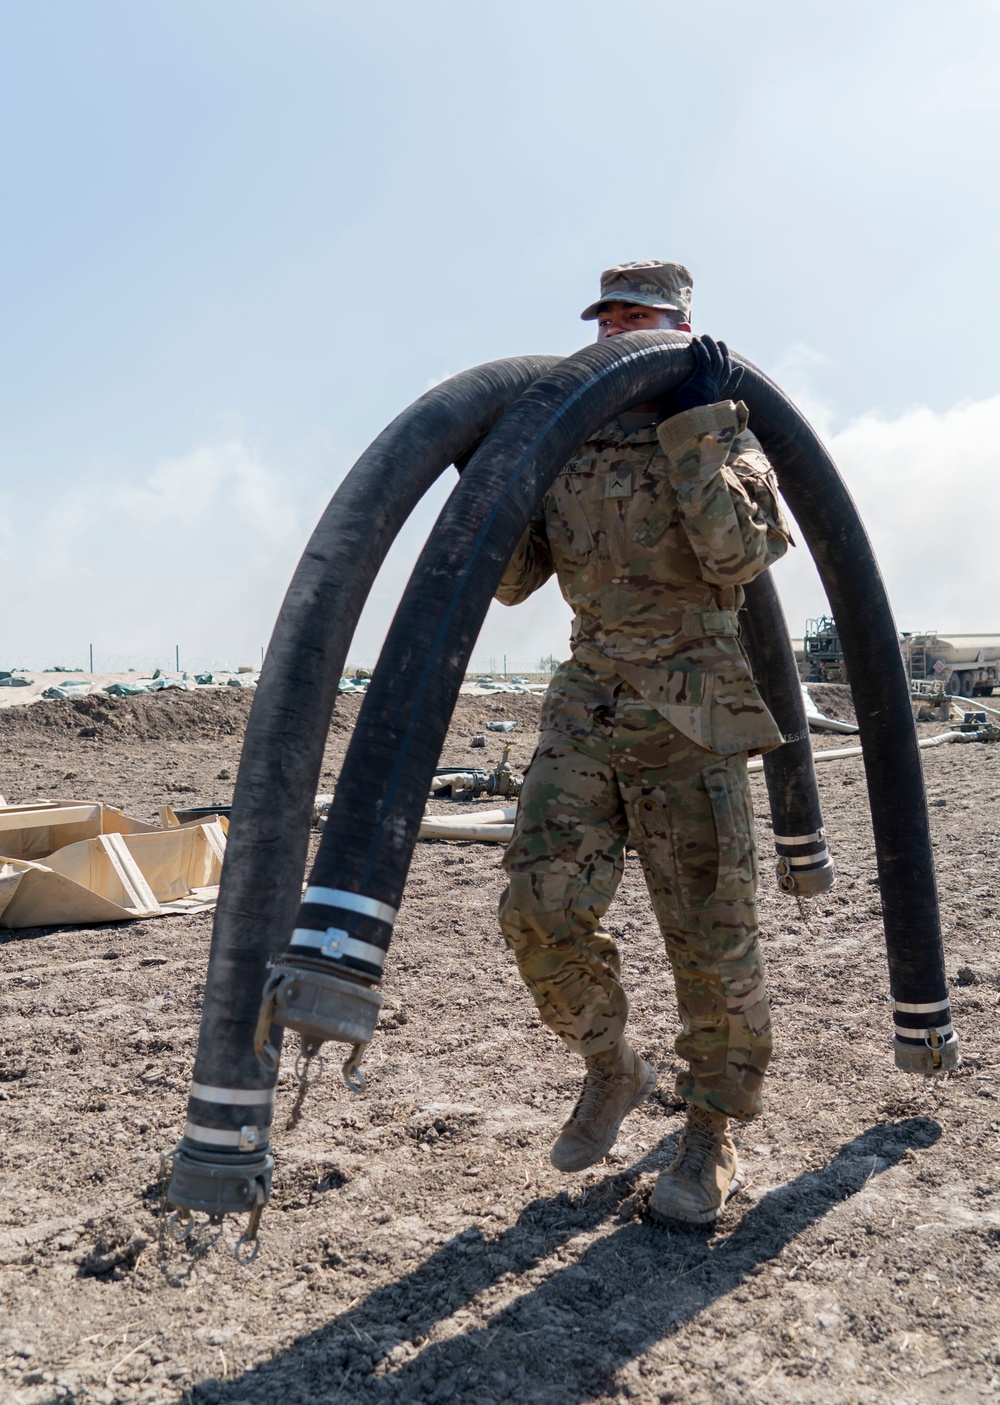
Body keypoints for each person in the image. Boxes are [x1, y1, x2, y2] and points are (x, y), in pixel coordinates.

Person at [495, 260, 791, 1224]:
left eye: (638, 315)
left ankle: (712, 1134)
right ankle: (611, 1065)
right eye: (606, 315)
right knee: (538, 907)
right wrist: (487, 465)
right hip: (589, 693)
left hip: (691, 696)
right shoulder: (566, 438)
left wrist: (702, 426)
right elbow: (509, 580)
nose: (615, 328)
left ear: (677, 325)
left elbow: (736, 555)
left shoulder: (724, 432)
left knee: (711, 936)